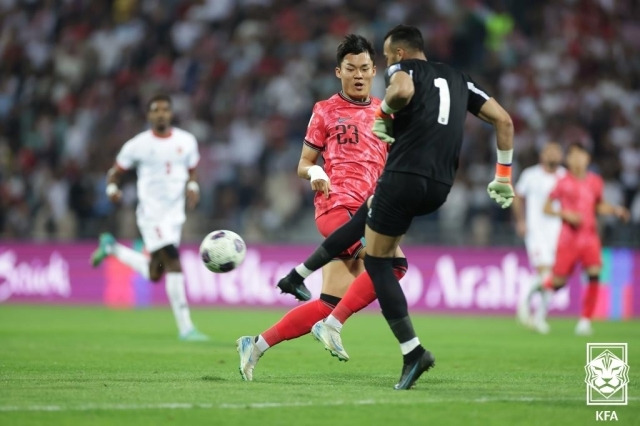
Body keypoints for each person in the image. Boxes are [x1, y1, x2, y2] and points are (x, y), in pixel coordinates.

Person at [309, 24, 515, 390]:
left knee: (379, 261)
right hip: (440, 186)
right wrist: (502, 176)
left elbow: (401, 90)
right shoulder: (460, 78)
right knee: (384, 254)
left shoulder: (402, 71)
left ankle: (407, 349)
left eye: (385, 59)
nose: (383, 67)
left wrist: (385, 114)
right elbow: (504, 120)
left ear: (398, 55)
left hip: (403, 176)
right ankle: (330, 314)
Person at [235, 34, 408, 381]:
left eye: (364, 68)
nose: (358, 74)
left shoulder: (385, 113)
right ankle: (333, 326)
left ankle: (255, 344)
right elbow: (303, 163)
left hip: (370, 211)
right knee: (393, 265)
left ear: (375, 70)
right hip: (336, 207)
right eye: (350, 68)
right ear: (338, 72)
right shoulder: (324, 110)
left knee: (329, 301)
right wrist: (315, 171)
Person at [90, 94, 208, 342]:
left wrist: (194, 187)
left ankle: (111, 247)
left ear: (171, 113)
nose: (162, 114)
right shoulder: (138, 145)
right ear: (149, 115)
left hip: (175, 215)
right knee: (174, 264)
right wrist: (112, 189)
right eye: (156, 110)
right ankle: (186, 328)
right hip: (151, 214)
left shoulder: (186, 141)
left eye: (166, 109)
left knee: (156, 272)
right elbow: (115, 172)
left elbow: (192, 171)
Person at [541, 143, 629, 335]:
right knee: (558, 282)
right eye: (573, 155)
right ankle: (539, 300)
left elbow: (598, 206)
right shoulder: (562, 182)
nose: (578, 159)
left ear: (587, 159)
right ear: (569, 160)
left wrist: (615, 210)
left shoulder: (595, 181)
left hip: (590, 237)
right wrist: (566, 214)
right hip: (568, 239)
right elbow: (546, 208)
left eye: (581, 155)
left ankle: (585, 321)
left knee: (594, 274)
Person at [513, 142, 565, 334]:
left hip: (559, 233)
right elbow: (517, 197)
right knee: (547, 274)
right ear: (542, 155)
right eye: (549, 150)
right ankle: (527, 308)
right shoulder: (530, 175)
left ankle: (537, 315)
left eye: (557, 151)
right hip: (536, 232)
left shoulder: (564, 176)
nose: (553, 154)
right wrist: (520, 221)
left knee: (554, 277)